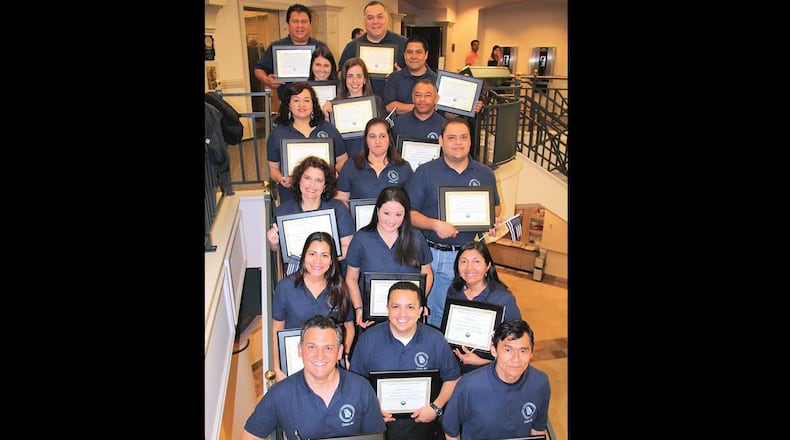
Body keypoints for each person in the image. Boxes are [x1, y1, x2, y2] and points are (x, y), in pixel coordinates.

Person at [406, 118, 501, 329]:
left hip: (465, 258)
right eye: (451, 137)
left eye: (463, 137)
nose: (458, 142)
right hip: (429, 255)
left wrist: (490, 221)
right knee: (428, 312)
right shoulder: (425, 172)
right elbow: (409, 214)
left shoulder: (485, 173)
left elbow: (495, 208)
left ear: (470, 141)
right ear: (441, 141)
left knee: (459, 314)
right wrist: (435, 225)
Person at [241, 315, 386, 440]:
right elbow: (250, 436)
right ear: (300, 350)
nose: (320, 356)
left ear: (339, 352)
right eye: (312, 347)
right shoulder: (280, 394)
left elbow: (376, 437)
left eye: (328, 348)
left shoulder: (361, 388)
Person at [350, 282, 460, 440]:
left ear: (420, 311)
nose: (402, 314)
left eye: (410, 307)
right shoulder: (368, 340)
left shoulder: (435, 340)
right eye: (395, 307)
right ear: (387, 309)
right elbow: (354, 384)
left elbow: (453, 378)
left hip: (423, 426)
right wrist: (370, 411)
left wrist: (435, 407)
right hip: (380, 428)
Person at [441, 318, 551, 440]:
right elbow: (451, 432)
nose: (516, 359)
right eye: (508, 350)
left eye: (523, 351)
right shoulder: (469, 386)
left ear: (531, 353)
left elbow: (538, 430)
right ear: (494, 350)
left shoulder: (540, 382)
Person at [269, 232, 355, 382]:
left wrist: (343, 355)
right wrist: (277, 365)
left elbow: (349, 326)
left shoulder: (340, 289)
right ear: (304, 256)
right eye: (312, 254)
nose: (317, 261)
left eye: (324, 255)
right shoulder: (286, 287)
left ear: (331, 260)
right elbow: (276, 328)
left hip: (326, 361)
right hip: (295, 359)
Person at [344, 186, 433, 329]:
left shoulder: (416, 237)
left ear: (405, 215)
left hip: (407, 316)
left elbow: (427, 272)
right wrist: (359, 308)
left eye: (398, 214)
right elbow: (351, 278)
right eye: (386, 213)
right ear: (377, 210)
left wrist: (419, 303)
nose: (391, 220)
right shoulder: (361, 238)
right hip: (373, 318)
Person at [266, 82, 348, 204]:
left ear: (313, 104)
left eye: (306, 100)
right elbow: (273, 168)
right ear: (288, 104)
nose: (302, 105)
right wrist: (281, 178)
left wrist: (330, 171)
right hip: (291, 196)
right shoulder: (278, 133)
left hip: (324, 193)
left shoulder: (328, 129)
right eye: (296, 100)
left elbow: (343, 159)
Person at [446, 240, 521, 373]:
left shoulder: (504, 299)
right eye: (464, 261)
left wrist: (483, 362)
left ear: (487, 266)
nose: (469, 268)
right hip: (454, 365)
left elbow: (517, 344)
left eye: (476, 261)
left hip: (488, 370)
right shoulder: (454, 292)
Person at [266, 156, 356, 266]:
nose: (312, 185)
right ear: (299, 180)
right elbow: (279, 249)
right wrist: (274, 243)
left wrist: (318, 264)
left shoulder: (338, 209)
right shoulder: (283, 212)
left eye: (318, 180)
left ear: (325, 186)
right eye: (307, 178)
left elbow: (347, 246)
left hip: (330, 269)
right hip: (296, 271)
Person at [254, 4, 333, 104]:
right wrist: (266, 80)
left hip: (316, 103)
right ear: (288, 24)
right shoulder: (277, 47)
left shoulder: (320, 47)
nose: (300, 25)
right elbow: (259, 69)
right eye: (295, 21)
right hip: (287, 104)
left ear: (310, 24)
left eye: (304, 21)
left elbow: (332, 73)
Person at [335, 118, 413, 207]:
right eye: (372, 136)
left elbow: (410, 203)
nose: (377, 141)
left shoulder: (404, 167)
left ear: (390, 139)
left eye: (382, 136)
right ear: (366, 140)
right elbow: (341, 201)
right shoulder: (351, 166)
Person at [338, 1, 408, 98]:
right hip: (361, 104)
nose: (375, 22)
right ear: (364, 21)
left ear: (387, 19)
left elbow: (419, 73)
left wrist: (403, 75)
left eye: (380, 17)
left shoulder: (404, 44)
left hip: (395, 104)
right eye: (370, 18)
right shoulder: (351, 47)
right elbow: (340, 75)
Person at [323, 57, 387, 160]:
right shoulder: (334, 105)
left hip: (372, 158)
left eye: (359, 76)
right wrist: (326, 117)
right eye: (350, 76)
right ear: (344, 79)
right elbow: (332, 137)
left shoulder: (376, 101)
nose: (354, 81)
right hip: (346, 159)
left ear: (365, 79)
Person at [383, 35, 437, 117]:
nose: (414, 56)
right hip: (400, 125)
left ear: (426, 55)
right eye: (409, 52)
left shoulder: (436, 80)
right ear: (404, 55)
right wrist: (423, 107)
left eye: (418, 52)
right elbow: (389, 107)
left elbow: (443, 111)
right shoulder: (394, 78)